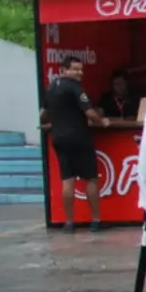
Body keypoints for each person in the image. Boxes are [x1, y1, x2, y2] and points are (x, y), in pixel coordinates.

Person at [40, 56, 109, 232]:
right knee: (91, 178)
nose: (79, 73)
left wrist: (56, 120)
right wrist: (102, 122)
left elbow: (43, 115)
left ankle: (69, 223)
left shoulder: (51, 88)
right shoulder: (75, 87)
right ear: (64, 70)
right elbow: (90, 113)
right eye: (75, 69)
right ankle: (96, 220)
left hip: (58, 138)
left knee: (67, 180)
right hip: (79, 137)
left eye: (81, 69)